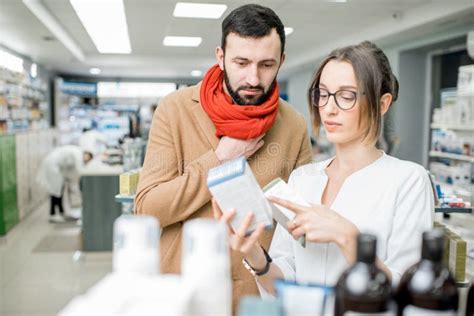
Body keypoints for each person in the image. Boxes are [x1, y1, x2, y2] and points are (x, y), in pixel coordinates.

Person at [213, 41, 434, 296]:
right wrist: (253, 253)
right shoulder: (303, 178)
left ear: (382, 104)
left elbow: (409, 291)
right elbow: (284, 282)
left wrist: (347, 237)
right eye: (323, 94)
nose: (329, 108)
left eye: (346, 96)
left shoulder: (408, 180)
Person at [135, 3, 313, 309]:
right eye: (241, 63)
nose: (253, 79)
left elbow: (301, 225)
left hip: (256, 298)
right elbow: (148, 208)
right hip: (185, 293)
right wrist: (220, 159)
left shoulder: (294, 124)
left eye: (266, 65)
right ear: (220, 57)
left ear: (281, 61)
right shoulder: (175, 110)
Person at [36, 145, 93, 222]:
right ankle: (52, 214)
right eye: (87, 159)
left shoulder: (77, 153)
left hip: (56, 167)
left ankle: (61, 212)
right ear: (87, 154)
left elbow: (72, 170)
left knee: (59, 191)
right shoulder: (78, 154)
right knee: (55, 192)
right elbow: (79, 170)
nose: (86, 161)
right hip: (53, 166)